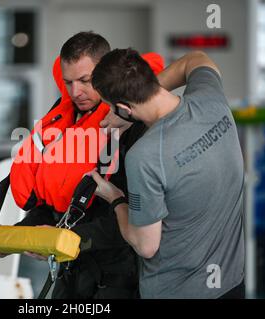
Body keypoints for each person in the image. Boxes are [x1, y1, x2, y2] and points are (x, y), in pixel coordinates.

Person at [0, 32, 163, 299]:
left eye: (85, 81)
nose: (75, 92)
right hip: (72, 271)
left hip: (119, 277)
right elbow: (52, 206)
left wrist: (61, 237)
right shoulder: (64, 121)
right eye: (68, 82)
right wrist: (17, 237)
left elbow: (134, 223)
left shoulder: (132, 126)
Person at [90, 49, 245, 298]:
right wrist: (137, 97)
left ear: (122, 108)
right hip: (231, 283)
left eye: (111, 108)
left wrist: (115, 198)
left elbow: (146, 245)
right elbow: (196, 59)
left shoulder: (145, 156)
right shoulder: (211, 98)